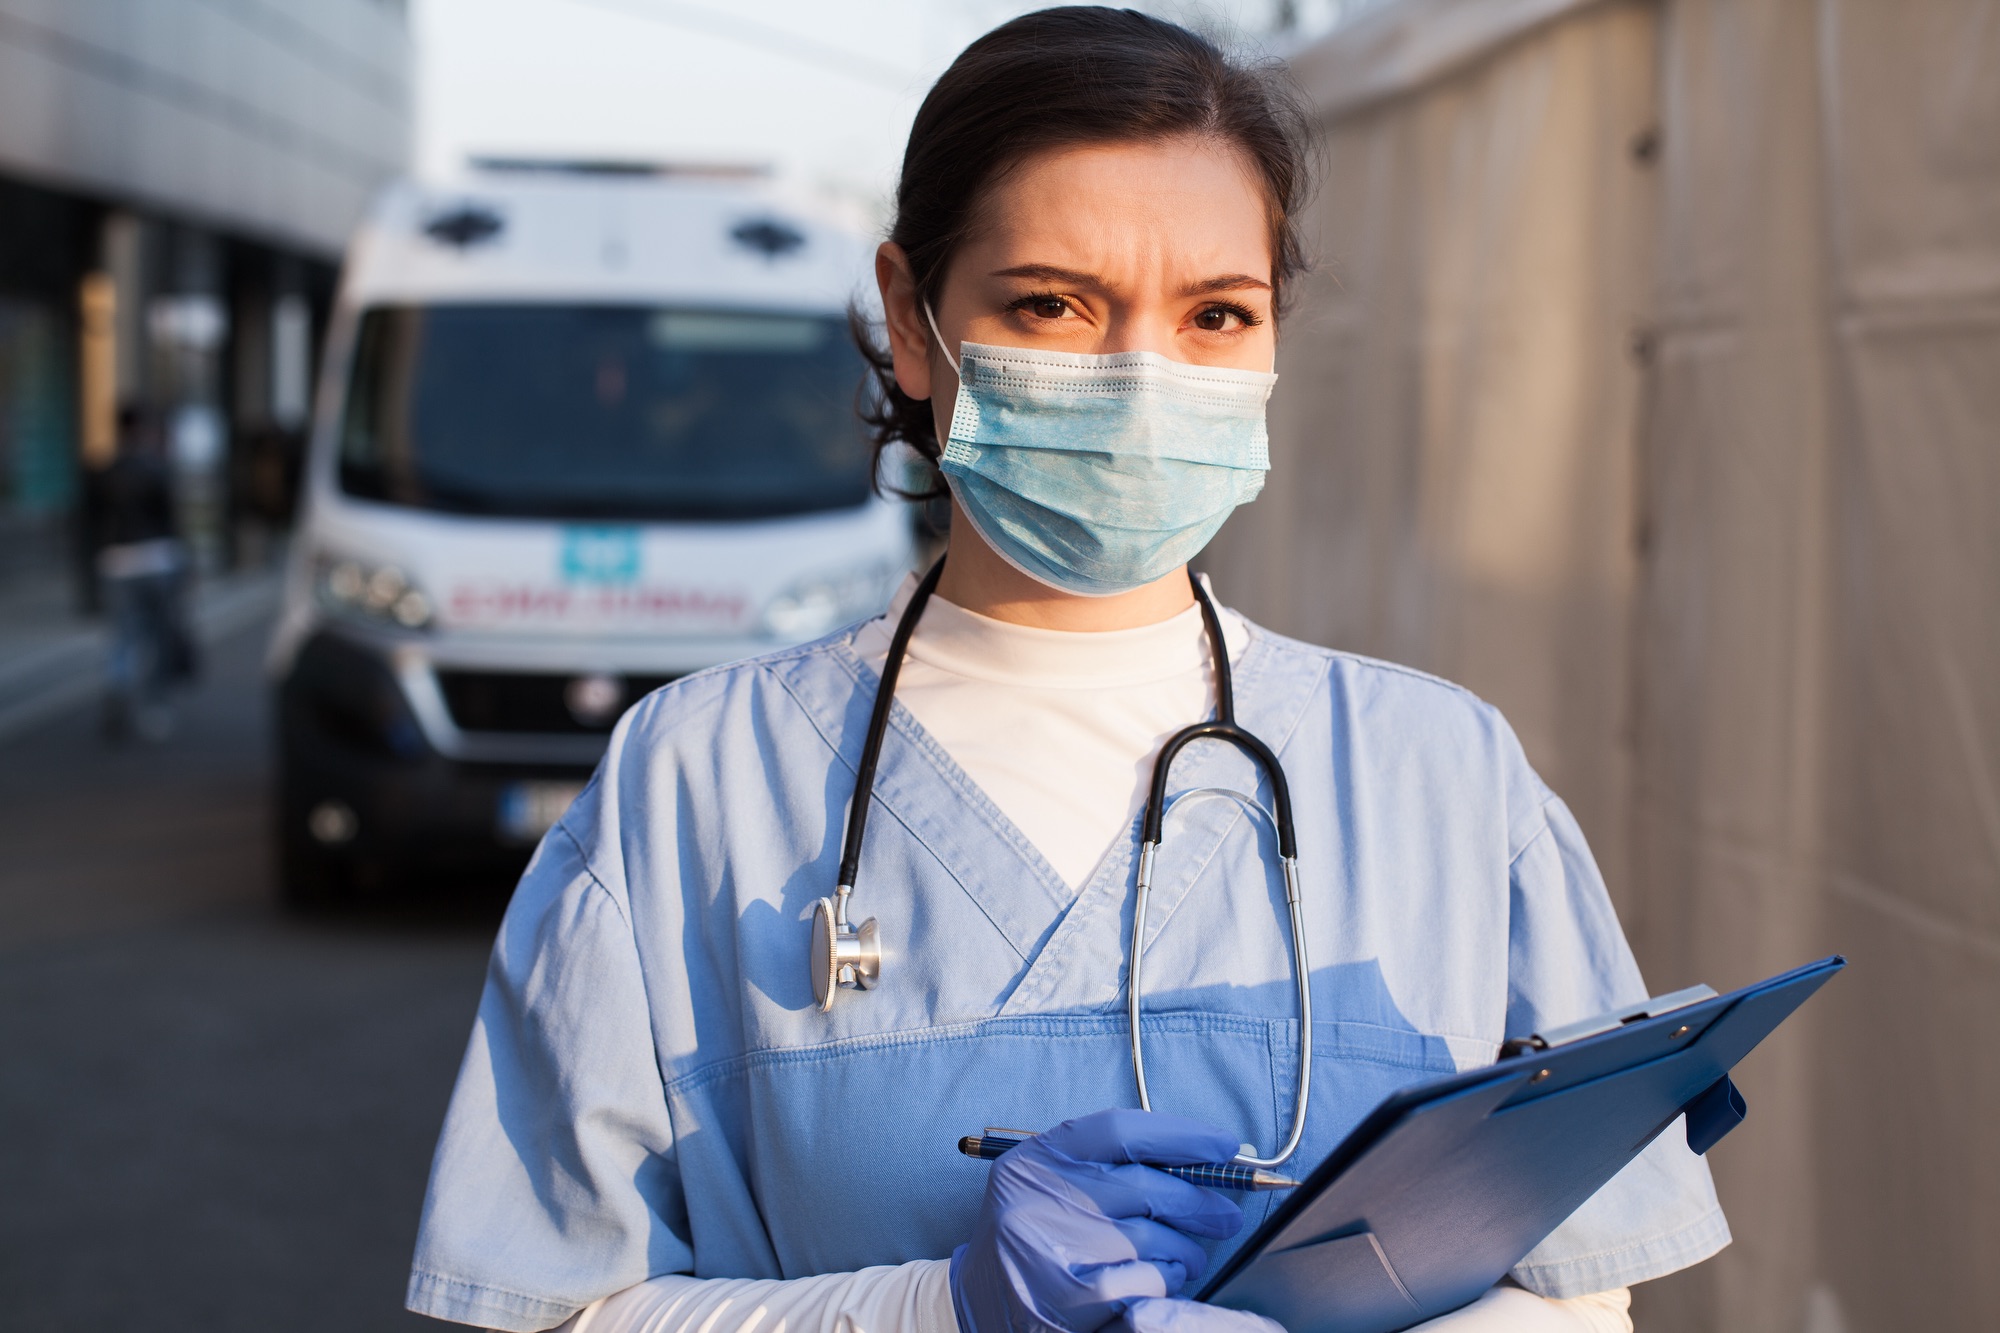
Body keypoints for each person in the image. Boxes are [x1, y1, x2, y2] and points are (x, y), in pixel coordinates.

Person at [406, 11, 1727, 1333]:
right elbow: (548, 1312)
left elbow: (1578, 1300)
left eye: (1216, 314)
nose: (1141, 382)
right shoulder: (698, 784)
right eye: (1053, 304)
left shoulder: (1442, 780)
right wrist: (947, 1308)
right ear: (911, 324)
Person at [91, 405, 195, 741]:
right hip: (157, 560)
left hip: (117, 562)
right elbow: (171, 520)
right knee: (158, 637)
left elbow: (91, 523)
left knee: (124, 636)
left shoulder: (105, 472)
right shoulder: (156, 469)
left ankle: (118, 686)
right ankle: (155, 708)